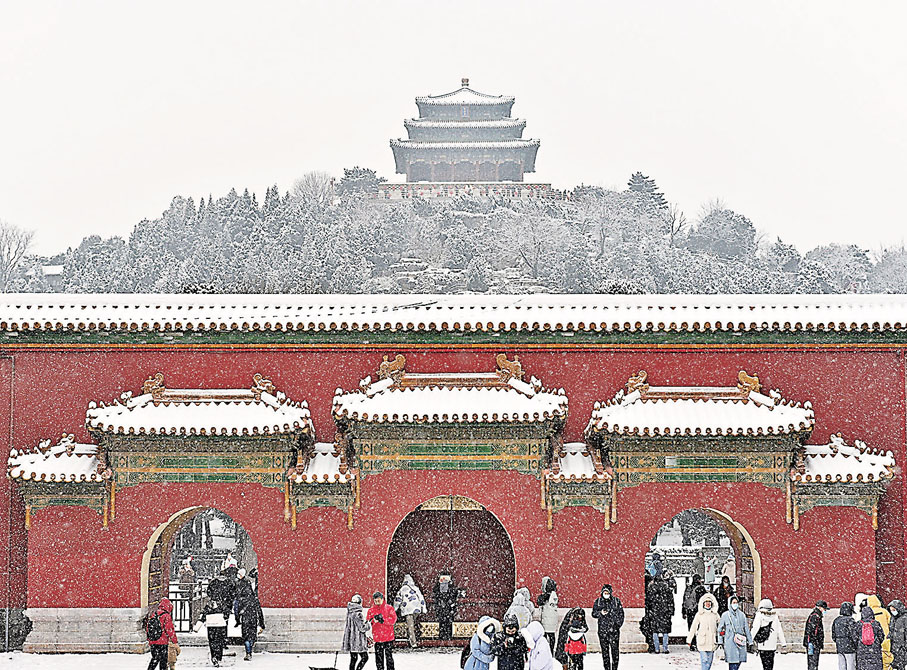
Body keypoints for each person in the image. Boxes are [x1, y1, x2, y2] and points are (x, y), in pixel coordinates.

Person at [592, 583, 625, 670]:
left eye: (607, 593)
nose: (606, 595)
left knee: (615, 652)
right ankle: (606, 668)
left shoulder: (616, 601)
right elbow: (593, 613)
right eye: (604, 593)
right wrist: (600, 613)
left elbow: (621, 614)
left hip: (614, 631)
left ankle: (614, 668)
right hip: (602, 631)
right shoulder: (598, 601)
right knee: (605, 652)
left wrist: (617, 625)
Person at [235, 568, 265, 661]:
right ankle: (250, 649)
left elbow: (236, 609)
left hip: (245, 618)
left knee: (246, 636)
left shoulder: (241, 599)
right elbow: (259, 611)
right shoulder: (254, 599)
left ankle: (248, 652)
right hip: (253, 618)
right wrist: (262, 624)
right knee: (252, 635)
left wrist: (237, 619)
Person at [687, 592, 721, 670]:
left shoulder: (715, 614)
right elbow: (694, 627)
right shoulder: (699, 614)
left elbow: (721, 625)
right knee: (704, 660)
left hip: (712, 641)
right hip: (702, 640)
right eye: (706, 603)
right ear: (703, 604)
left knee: (709, 661)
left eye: (709, 602)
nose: (708, 604)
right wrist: (689, 639)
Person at [717, 595, 752, 670]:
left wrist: (750, 641)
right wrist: (720, 641)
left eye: (736, 602)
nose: (735, 604)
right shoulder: (725, 615)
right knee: (732, 663)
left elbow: (746, 629)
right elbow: (720, 629)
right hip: (730, 642)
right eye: (733, 602)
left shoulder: (742, 615)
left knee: (738, 661)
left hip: (740, 641)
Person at [750, 598, 786, 670]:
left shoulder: (759, 616)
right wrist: (783, 642)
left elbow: (755, 628)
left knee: (764, 664)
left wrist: (749, 640)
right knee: (770, 664)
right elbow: (779, 630)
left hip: (763, 644)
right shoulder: (775, 617)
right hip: (772, 645)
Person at [393, 574, 426, 648]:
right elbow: (421, 598)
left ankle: (413, 642)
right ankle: (413, 638)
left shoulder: (402, 589)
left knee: (410, 626)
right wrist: (423, 608)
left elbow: (398, 600)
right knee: (412, 625)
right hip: (417, 609)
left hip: (408, 609)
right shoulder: (415, 588)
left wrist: (394, 609)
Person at [366, 591, 397, 670]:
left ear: (383, 599)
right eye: (375, 601)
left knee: (389, 657)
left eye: (379, 600)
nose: (377, 602)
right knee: (379, 659)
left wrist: (383, 620)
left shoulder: (389, 608)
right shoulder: (371, 610)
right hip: (378, 637)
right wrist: (374, 620)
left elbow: (393, 620)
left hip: (388, 637)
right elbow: (368, 621)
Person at [145, 598, 178, 670]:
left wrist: (149, 639)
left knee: (155, 659)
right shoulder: (166, 616)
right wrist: (174, 640)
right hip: (163, 642)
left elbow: (148, 627)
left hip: (153, 641)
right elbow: (169, 629)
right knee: (163, 661)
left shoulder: (154, 614)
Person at [195, 597, 228, 667]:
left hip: (210, 626)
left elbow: (202, 617)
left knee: (212, 642)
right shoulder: (222, 606)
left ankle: (214, 656)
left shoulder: (208, 607)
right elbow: (226, 615)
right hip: (220, 626)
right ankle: (218, 657)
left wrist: (197, 628)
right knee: (220, 642)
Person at [342, 594, 369, 670]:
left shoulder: (350, 612)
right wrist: (368, 624)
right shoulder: (358, 614)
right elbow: (362, 628)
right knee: (365, 657)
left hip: (351, 640)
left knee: (353, 659)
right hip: (358, 641)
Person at [648, 576, 674, 654]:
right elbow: (671, 602)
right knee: (665, 631)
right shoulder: (667, 589)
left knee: (655, 631)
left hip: (655, 612)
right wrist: (671, 611)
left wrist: (650, 611)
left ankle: (657, 648)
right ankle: (665, 648)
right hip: (665, 612)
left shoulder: (651, 589)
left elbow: (649, 602)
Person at [867, 596, 894, 670]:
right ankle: (887, 667)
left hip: (874, 638)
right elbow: (890, 622)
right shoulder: (884, 611)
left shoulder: (869, 612)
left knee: (876, 655)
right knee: (887, 654)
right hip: (886, 636)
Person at [684, 575, 709, 650]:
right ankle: (698, 643)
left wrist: (684, 610)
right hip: (697, 610)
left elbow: (684, 599)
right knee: (699, 628)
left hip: (689, 610)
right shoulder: (701, 588)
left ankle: (692, 643)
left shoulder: (688, 588)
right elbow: (704, 599)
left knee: (691, 627)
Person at [833, 602, 859, 670]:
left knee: (842, 666)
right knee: (851, 666)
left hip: (840, 647)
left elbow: (833, 635)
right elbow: (854, 634)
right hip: (850, 647)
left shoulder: (836, 620)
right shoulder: (850, 620)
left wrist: (839, 641)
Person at [858, 606, 886, 670]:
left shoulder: (858, 624)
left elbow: (854, 637)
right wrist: (877, 642)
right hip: (875, 648)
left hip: (862, 649)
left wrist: (860, 643)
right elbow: (881, 636)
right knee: (876, 665)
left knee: (863, 665)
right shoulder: (876, 623)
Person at [433, 572, 458, 641]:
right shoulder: (450, 587)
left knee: (444, 623)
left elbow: (435, 593)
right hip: (446, 608)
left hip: (444, 608)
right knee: (446, 623)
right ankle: (446, 636)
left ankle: (444, 636)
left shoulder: (440, 587)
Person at [804, 600, 829, 670]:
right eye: (824, 609)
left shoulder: (815, 616)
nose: (825, 610)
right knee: (813, 663)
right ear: (820, 608)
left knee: (813, 663)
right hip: (813, 644)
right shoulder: (815, 617)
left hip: (813, 643)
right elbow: (812, 631)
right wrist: (815, 642)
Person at [536, 577, 559, 650]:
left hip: (547, 618)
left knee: (545, 636)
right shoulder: (554, 595)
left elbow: (539, 602)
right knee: (552, 636)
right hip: (552, 618)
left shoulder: (546, 596)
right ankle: (551, 650)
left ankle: (546, 650)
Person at [889, 600, 907, 670]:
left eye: (894, 610)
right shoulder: (892, 618)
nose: (892, 612)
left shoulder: (905, 618)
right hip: (895, 649)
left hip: (903, 649)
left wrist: (905, 646)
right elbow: (891, 631)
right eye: (891, 610)